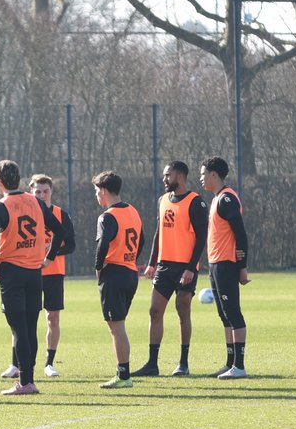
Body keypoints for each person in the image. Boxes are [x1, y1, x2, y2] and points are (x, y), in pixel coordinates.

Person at [0, 160, 64, 396]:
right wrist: (48, 257)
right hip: (34, 273)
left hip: (12, 273)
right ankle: (29, 379)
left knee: (19, 330)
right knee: (29, 327)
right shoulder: (36, 201)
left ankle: (26, 382)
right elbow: (59, 231)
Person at [131, 160, 208, 378]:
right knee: (155, 311)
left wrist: (191, 267)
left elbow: (201, 238)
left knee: (182, 311)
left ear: (180, 176)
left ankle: (183, 363)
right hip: (165, 266)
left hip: (185, 267)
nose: (165, 179)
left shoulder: (196, 202)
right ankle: (152, 364)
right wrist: (153, 263)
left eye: (168, 175)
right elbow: (159, 233)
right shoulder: (163, 200)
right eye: (165, 175)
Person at [1, 174, 75, 379]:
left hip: (53, 272)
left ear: (51, 191)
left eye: (45, 191)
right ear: (31, 192)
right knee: (20, 318)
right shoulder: (23, 211)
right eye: (37, 192)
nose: (42, 195)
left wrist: (50, 251)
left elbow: (70, 244)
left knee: (52, 317)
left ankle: (49, 363)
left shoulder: (61, 214)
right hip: (26, 270)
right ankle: (16, 364)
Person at [200, 156, 251, 378]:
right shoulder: (217, 198)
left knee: (233, 313)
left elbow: (241, 235)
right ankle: (230, 363)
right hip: (215, 264)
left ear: (213, 174)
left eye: (203, 174)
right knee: (224, 314)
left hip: (226, 264)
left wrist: (242, 266)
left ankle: (239, 366)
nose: (201, 178)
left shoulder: (227, 199)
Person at [92, 171, 143, 389]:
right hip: (130, 272)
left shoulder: (107, 216)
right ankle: (123, 373)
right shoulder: (133, 211)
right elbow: (142, 240)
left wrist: (98, 267)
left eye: (96, 191)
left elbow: (103, 244)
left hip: (114, 273)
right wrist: (129, 258)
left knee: (117, 327)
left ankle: (123, 376)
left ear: (103, 190)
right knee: (118, 325)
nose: (96, 196)